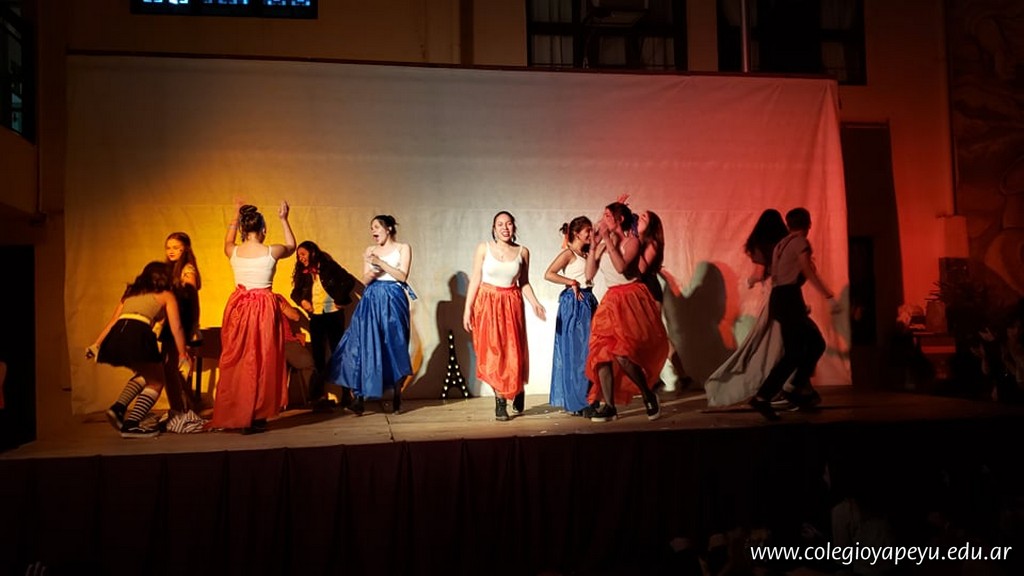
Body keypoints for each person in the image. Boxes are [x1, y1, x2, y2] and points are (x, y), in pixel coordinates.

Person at [209, 201, 296, 434]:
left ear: (242, 229)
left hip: (238, 308)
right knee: (262, 360)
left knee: (238, 360)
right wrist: (284, 219)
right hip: (263, 309)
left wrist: (234, 215)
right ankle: (256, 414)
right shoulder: (271, 251)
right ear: (263, 229)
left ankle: (239, 411)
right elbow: (291, 246)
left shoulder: (233, 251)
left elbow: (227, 242)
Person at [749, 207, 839, 420]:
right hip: (789, 298)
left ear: (789, 225)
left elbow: (779, 273)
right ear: (809, 224)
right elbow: (806, 270)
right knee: (808, 346)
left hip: (780, 298)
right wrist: (827, 294)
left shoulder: (781, 244)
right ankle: (772, 393)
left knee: (803, 347)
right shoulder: (800, 243)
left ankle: (789, 389)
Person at [88, 261, 192, 438]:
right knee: (157, 382)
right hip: (137, 333)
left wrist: (96, 344)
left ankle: (118, 408)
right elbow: (177, 328)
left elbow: (114, 321)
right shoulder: (166, 295)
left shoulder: (130, 293)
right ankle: (131, 424)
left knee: (145, 375)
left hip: (117, 334)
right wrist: (183, 354)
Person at [585, 202, 668, 422]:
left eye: (607, 215)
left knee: (623, 354)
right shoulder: (604, 245)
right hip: (610, 301)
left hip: (629, 299)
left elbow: (621, 267)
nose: (603, 219)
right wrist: (594, 246)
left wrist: (607, 239)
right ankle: (609, 406)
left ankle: (647, 394)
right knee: (601, 354)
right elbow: (589, 275)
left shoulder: (632, 242)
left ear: (619, 219)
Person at [463, 210, 547, 421]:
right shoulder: (484, 248)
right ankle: (500, 402)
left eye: (509, 224)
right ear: (494, 228)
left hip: (511, 304)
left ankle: (517, 387)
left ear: (514, 227)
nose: (505, 228)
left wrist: (535, 303)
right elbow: (475, 278)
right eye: (500, 224)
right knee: (492, 353)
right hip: (487, 303)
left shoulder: (523, 252)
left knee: (512, 351)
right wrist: (467, 308)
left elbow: (524, 282)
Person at [327, 215, 414, 415]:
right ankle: (359, 398)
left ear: (388, 228)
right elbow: (365, 280)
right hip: (372, 298)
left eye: (376, 227)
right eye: (371, 228)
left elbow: (402, 276)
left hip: (393, 297)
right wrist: (372, 271)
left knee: (394, 343)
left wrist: (380, 263)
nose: (373, 231)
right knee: (363, 343)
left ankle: (397, 396)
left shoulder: (403, 248)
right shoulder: (370, 250)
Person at [704, 209, 790, 407]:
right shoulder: (784, 245)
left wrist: (749, 281)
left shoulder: (761, 245)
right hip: (786, 296)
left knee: (770, 344)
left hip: (773, 297)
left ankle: (774, 388)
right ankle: (780, 388)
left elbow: (759, 274)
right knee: (781, 344)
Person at [543, 216, 598, 416]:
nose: (590, 234)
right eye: (587, 230)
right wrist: (571, 282)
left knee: (591, 352)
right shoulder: (569, 253)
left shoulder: (586, 252)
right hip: (575, 303)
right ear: (576, 233)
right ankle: (580, 402)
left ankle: (588, 397)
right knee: (577, 353)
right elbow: (549, 273)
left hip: (588, 300)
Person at [290, 240, 356, 406]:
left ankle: (346, 394)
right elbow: (295, 293)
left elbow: (349, 281)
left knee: (338, 354)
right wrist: (302, 301)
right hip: (316, 316)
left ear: (312, 252)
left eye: (303, 254)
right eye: (299, 256)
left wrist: (340, 299)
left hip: (333, 315)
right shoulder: (303, 272)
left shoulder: (328, 266)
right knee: (318, 357)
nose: (301, 258)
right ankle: (318, 397)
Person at [160, 231, 202, 414]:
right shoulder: (169, 270)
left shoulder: (187, 270)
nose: (171, 251)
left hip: (182, 322)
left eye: (176, 247)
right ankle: (181, 408)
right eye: (168, 247)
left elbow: (192, 300)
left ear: (185, 249)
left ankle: (185, 409)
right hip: (170, 321)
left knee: (177, 366)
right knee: (168, 367)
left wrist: (193, 325)